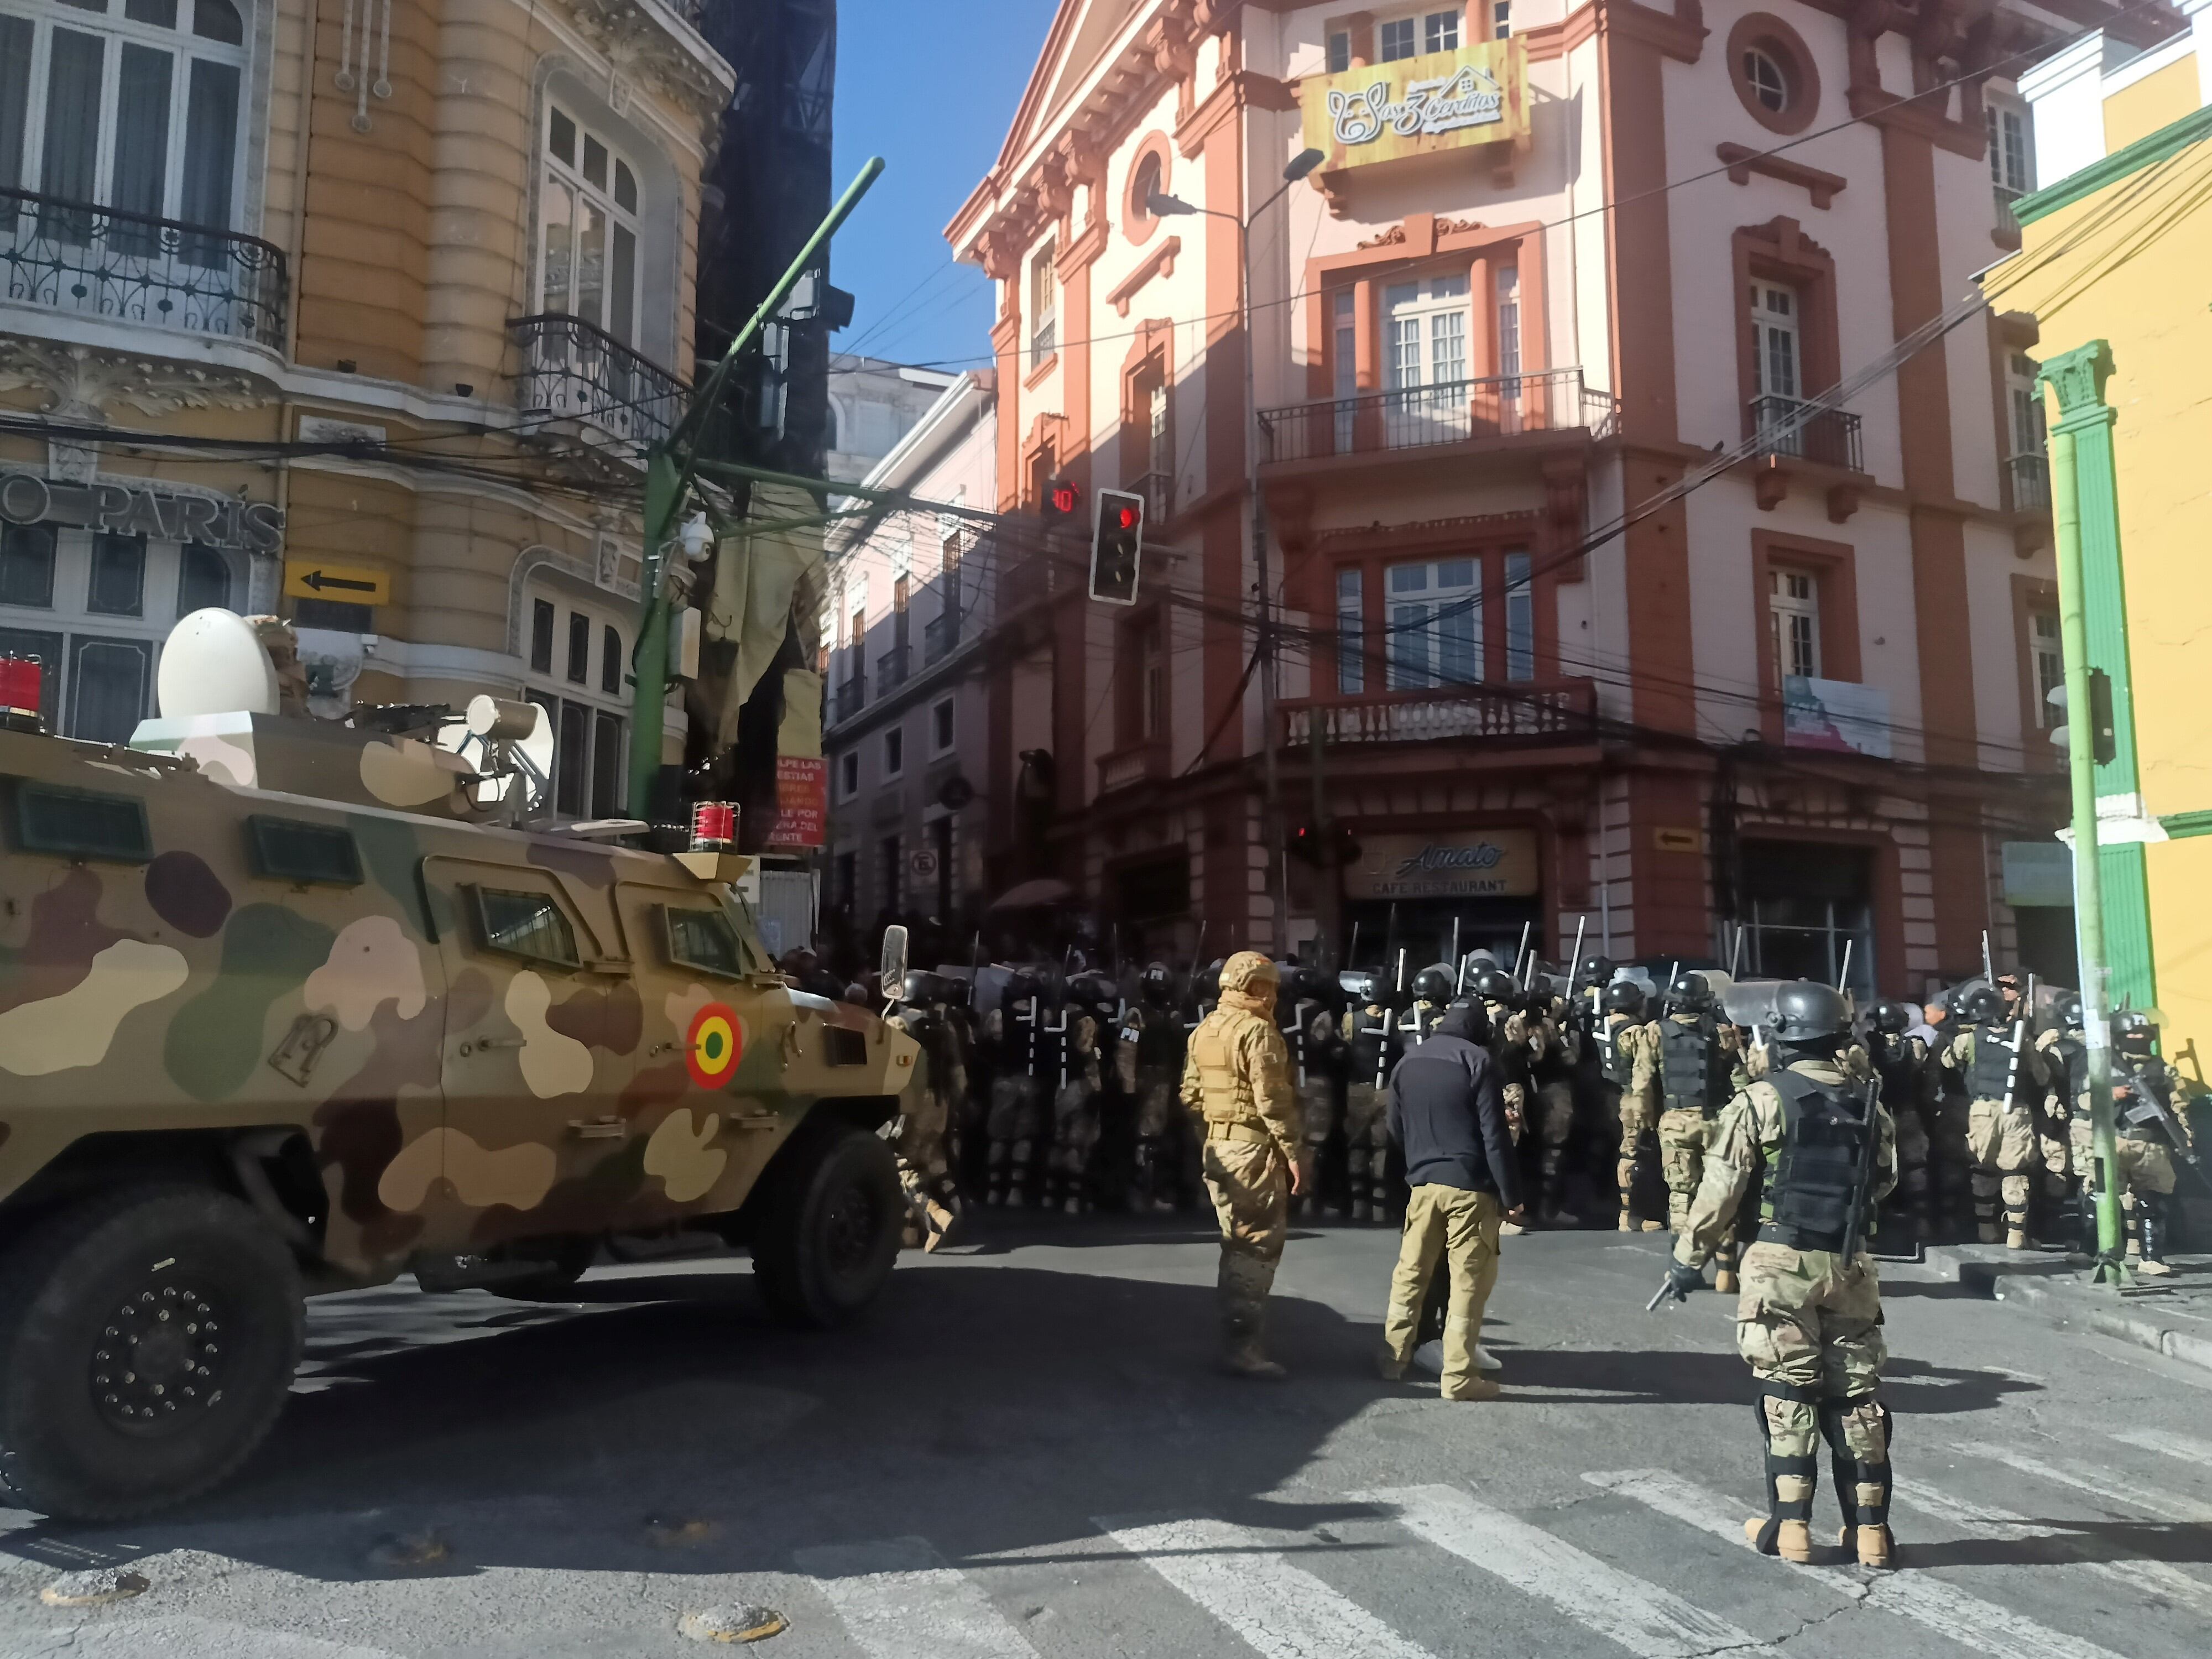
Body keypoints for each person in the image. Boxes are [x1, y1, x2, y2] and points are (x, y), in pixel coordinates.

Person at [1662, 979, 1899, 1568]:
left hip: (1779, 1263)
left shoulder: (1761, 1101)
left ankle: (1791, 1528)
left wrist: (1686, 1263)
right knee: (1855, 1398)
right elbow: (1885, 1182)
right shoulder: (1870, 1103)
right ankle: (1871, 1534)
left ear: (1782, 1037)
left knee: (1787, 1393)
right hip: (1850, 1263)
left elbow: (1719, 1193)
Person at [1379, 1003, 1525, 1401]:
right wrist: (1512, 1196)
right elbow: (1494, 1135)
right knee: (1467, 1283)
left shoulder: (1407, 1063)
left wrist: (1399, 1189)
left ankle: (1393, 1360)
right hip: (1470, 1188)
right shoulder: (1478, 1061)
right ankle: (1459, 1378)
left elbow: (1395, 1130)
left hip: (1423, 1186)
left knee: (1410, 1275)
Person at [1180, 951, 1303, 1379]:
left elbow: (1191, 1096)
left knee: (1234, 1243)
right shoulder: (1257, 1033)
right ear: (1256, 988)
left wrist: (1214, 1137)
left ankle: (1238, 1337)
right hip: (1252, 1152)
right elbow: (1273, 1101)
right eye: (1269, 987)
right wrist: (1292, 1152)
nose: (1273, 996)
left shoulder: (1203, 1031)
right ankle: (1244, 1348)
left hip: (1217, 1148)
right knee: (1255, 1249)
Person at [1936, 983, 2047, 1246]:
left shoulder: (1969, 1039)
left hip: (1983, 1111)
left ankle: (1986, 1229)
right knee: (2014, 1171)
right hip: (2016, 1111)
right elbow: (2041, 1075)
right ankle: (2016, 1235)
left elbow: (1948, 1062)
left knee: (1982, 1168)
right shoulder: (2022, 1037)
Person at [1656, 972, 1743, 1291]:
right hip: (1717, 1122)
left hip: (1676, 1122)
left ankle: (1680, 1269)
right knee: (1722, 1197)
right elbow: (1740, 1078)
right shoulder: (1721, 1033)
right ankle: (1726, 1273)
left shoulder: (1655, 1033)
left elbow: (1643, 1083)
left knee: (1681, 1196)